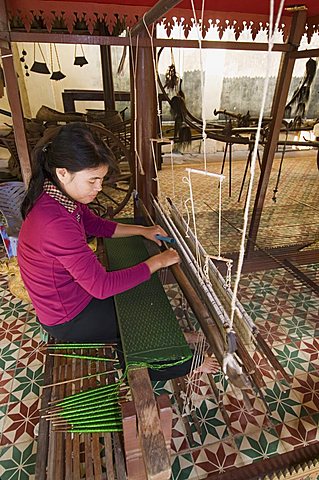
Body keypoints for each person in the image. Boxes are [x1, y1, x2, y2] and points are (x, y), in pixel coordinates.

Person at [18, 122, 217, 380]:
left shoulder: (57, 197)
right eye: (93, 180)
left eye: (100, 179)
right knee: (142, 319)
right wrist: (157, 261)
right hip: (68, 318)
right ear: (63, 173)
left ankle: (179, 337)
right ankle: (187, 365)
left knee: (142, 299)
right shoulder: (54, 222)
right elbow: (101, 287)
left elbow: (96, 225)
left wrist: (141, 231)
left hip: (72, 299)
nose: (99, 187)